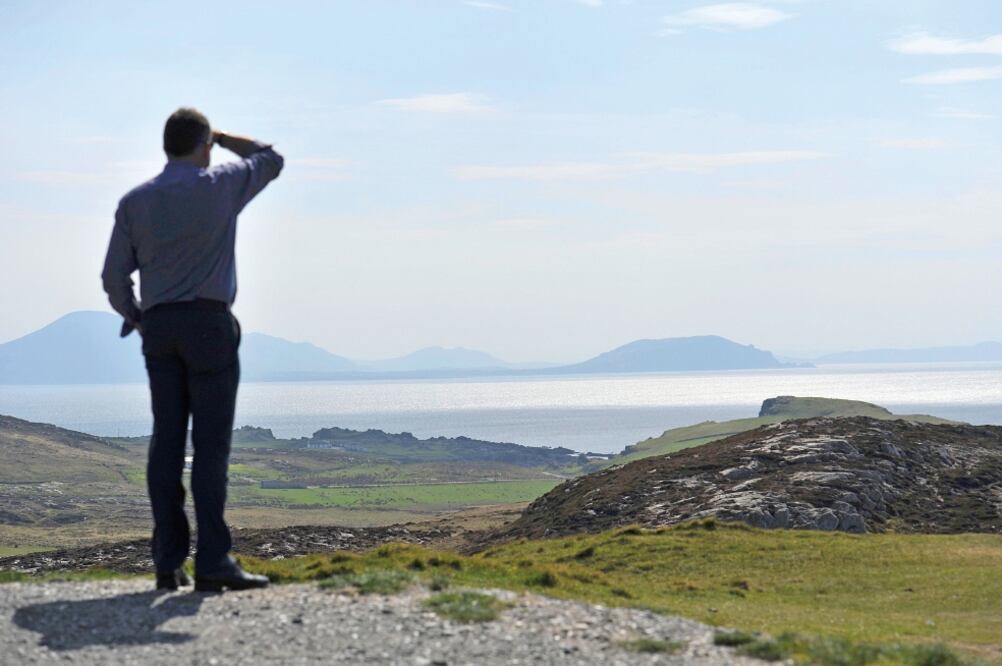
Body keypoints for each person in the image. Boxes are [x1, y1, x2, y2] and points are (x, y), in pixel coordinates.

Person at [101, 107, 284, 592]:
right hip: (208, 324)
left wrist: (137, 316)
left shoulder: (135, 201)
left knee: (166, 443)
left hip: (159, 327)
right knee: (210, 447)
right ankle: (213, 562)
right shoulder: (220, 184)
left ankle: (167, 561)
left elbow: (112, 277)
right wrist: (223, 137)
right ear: (203, 145)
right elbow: (270, 157)